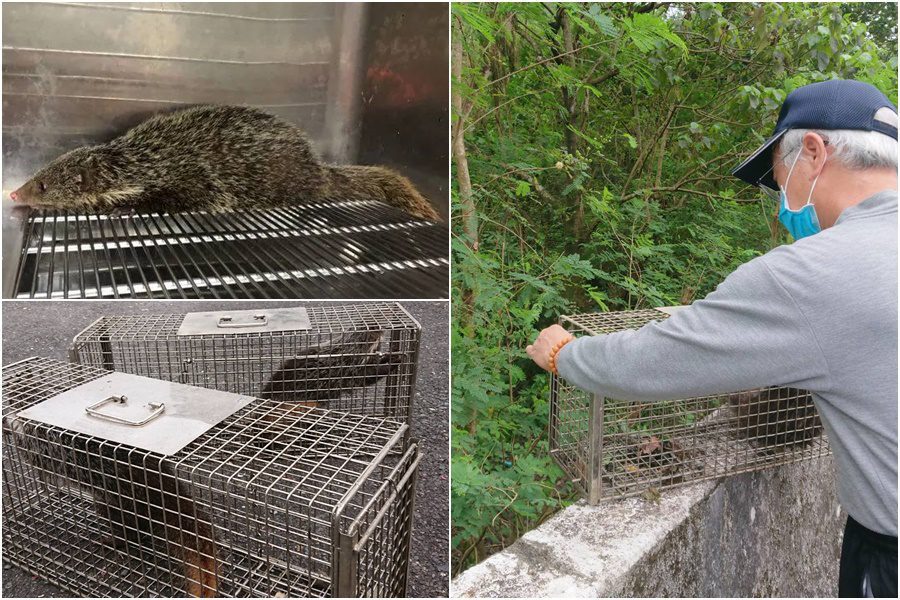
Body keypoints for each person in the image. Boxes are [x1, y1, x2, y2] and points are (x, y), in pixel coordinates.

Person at [526, 79, 898, 598]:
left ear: (813, 151)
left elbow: (658, 360)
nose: (781, 207)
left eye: (779, 181)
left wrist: (565, 353)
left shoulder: (815, 273)